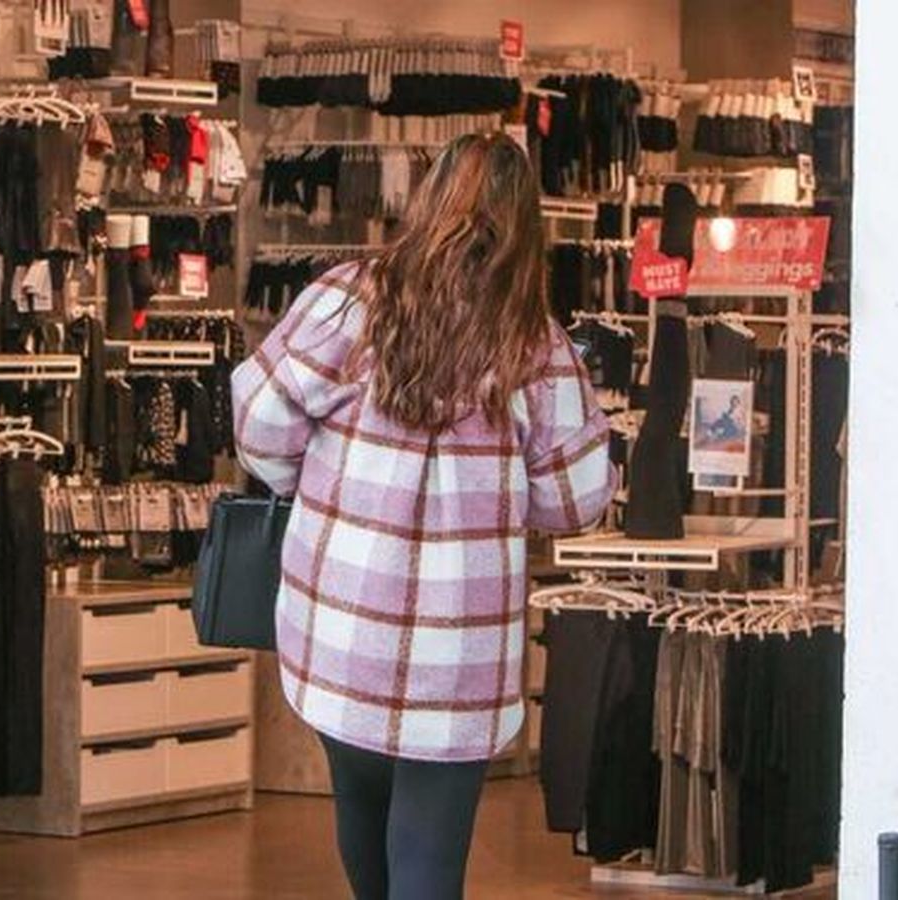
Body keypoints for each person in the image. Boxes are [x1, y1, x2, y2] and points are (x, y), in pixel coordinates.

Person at [231, 133, 615, 900]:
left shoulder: (347, 299)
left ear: (429, 199)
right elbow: (576, 499)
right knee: (432, 849)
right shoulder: (536, 342)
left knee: (360, 801)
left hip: (341, 617)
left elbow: (258, 420)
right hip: (459, 641)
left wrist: (319, 483)